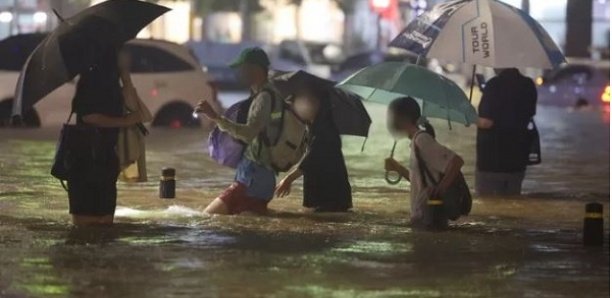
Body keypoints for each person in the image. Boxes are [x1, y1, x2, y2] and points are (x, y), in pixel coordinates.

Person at [196, 47, 281, 215]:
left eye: (242, 68)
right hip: (260, 178)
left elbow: (249, 133)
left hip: (252, 178)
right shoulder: (270, 94)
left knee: (206, 218)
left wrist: (215, 117)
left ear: (255, 69)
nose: (239, 73)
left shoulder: (264, 97)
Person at [67, 44, 143, 226]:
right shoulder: (92, 79)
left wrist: (125, 75)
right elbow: (89, 116)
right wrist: (125, 122)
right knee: (85, 226)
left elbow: (137, 112)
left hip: (106, 159)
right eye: (123, 51)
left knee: (105, 224)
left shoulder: (113, 81)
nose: (129, 56)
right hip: (85, 160)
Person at [383, 97, 464, 225]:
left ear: (403, 118)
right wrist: (397, 168)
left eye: (392, 116)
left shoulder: (422, 140)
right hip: (423, 217)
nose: (390, 121)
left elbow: (456, 162)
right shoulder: (415, 142)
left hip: (430, 218)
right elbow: (420, 181)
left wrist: (440, 190)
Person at [275, 87, 352, 212]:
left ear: (318, 104)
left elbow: (311, 159)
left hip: (330, 198)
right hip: (326, 196)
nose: (301, 107)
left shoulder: (326, 130)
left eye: (307, 102)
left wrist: (288, 179)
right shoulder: (313, 127)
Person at [476, 68, 537, 196]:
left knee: (490, 205)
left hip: (492, 159)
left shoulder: (493, 85)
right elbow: (529, 114)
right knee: (513, 200)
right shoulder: (528, 85)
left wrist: (470, 117)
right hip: (518, 158)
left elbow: (487, 122)